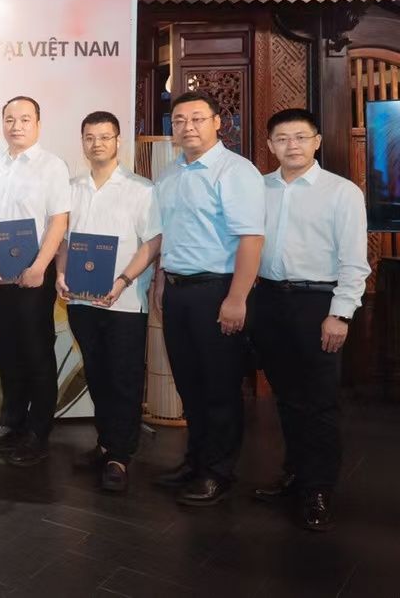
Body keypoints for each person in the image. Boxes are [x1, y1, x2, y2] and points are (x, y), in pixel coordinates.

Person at [248, 108, 369, 531]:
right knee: (286, 397)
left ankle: (318, 489)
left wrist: (340, 314)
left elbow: (355, 261)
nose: (292, 145)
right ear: (270, 145)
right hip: (268, 300)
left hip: (318, 303)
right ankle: (296, 473)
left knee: (319, 401)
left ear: (317, 141)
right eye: (282, 139)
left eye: (301, 137)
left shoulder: (341, 192)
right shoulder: (258, 188)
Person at [153, 91, 264, 505]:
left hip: (217, 291)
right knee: (189, 383)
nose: (188, 127)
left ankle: (218, 471)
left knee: (219, 386)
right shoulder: (170, 174)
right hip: (177, 291)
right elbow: (167, 236)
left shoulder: (235, 171)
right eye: (180, 120)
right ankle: (196, 460)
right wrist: (161, 283)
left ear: (218, 122)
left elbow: (251, 239)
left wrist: (237, 298)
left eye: (198, 118)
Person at [56, 112, 161, 493]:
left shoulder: (141, 189)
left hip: (125, 302)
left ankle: (120, 455)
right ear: (82, 142)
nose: (97, 143)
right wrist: (61, 274)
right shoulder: (71, 188)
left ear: (118, 141)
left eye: (104, 136)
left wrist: (123, 280)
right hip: (81, 301)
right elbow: (63, 240)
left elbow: (152, 242)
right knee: (97, 374)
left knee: (124, 377)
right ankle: (105, 443)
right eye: (90, 137)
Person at [0, 96, 71, 467]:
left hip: (35, 272)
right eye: (9, 119)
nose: (16, 126)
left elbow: (59, 221)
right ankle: (12, 422)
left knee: (37, 352)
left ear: (38, 123)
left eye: (24, 119)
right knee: (6, 350)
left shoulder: (52, 165)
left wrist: (40, 266)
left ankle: (38, 431)